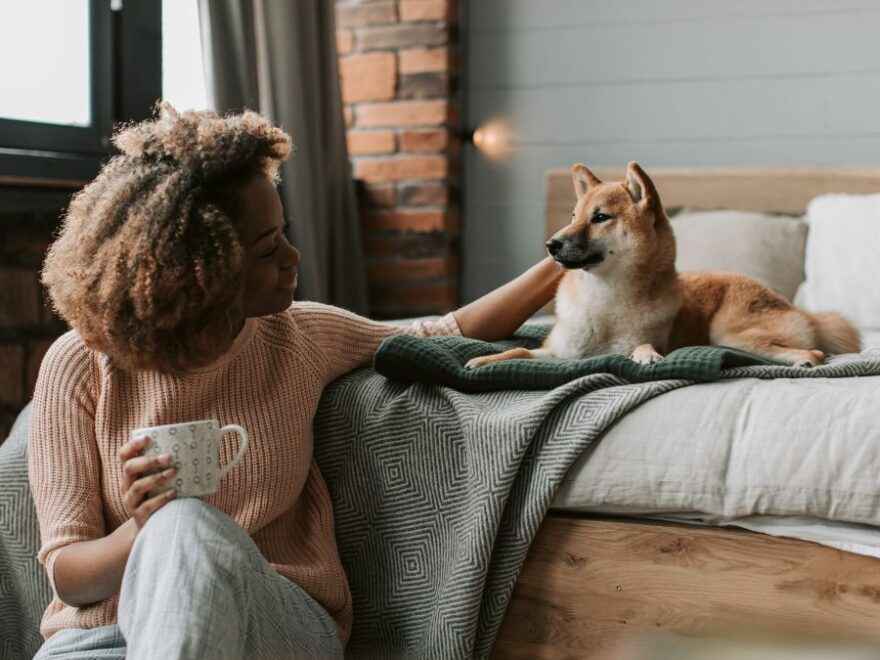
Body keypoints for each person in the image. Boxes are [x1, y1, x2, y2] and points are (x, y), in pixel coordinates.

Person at [28, 103, 562, 659]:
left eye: (283, 233)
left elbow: (443, 331)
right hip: (99, 641)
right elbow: (71, 577)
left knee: (187, 526)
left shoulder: (299, 337)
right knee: (174, 526)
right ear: (198, 271)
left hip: (275, 625)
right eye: (266, 249)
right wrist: (142, 529)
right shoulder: (80, 365)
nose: (292, 257)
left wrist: (565, 261)